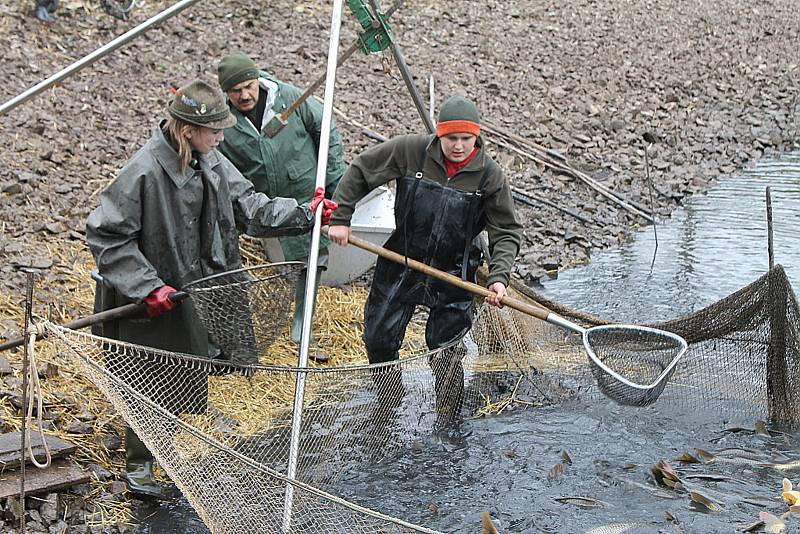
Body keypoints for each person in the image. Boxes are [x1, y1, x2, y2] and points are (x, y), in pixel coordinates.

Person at [85, 79, 336, 498]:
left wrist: (305, 214)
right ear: (187, 130)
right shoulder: (144, 171)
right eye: (215, 129)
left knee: (184, 369)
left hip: (198, 287)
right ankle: (138, 468)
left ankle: (161, 452)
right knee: (148, 379)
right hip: (151, 298)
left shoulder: (212, 160)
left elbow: (250, 208)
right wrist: (148, 286)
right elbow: (107, 236)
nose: (223, 136)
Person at [328, 95, 522, 419]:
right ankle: (388, 400)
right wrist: (340, 218)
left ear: (477, 137)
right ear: (438, 135)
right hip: (401, 261)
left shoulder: (490, 176)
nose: (458, 146)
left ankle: (448, 417)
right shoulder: (409, 151)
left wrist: (500, 278)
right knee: (378, 338)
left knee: (445, 351)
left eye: (465, 139)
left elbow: (506, 231)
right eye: (450, 138)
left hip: (453, 274)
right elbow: (362, 170)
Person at [215, 52, 346, 347]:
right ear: (226, 92)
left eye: (249, 86)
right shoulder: (224, 119)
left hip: (303, 187)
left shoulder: (289, 98)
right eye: (236, 91)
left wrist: (333, 180)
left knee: (311, 255)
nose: (245, 95)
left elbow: (327, 131)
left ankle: (303, 318)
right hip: (261, 198)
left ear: (258, 79)